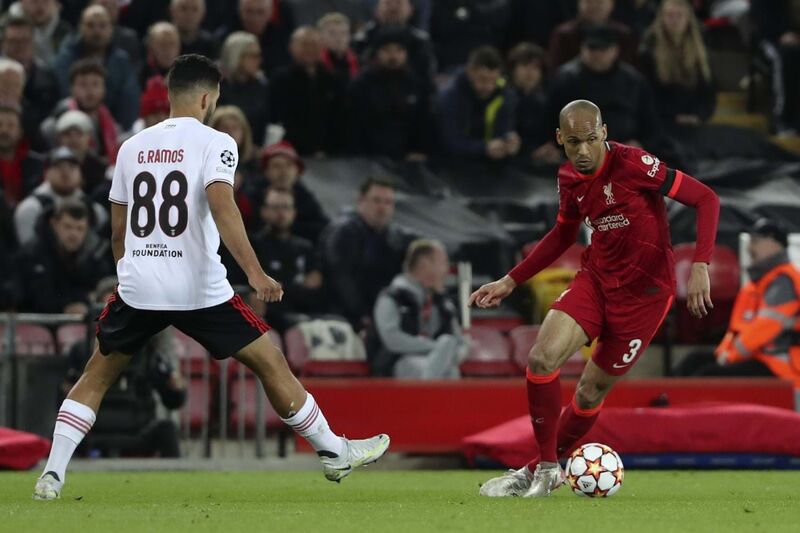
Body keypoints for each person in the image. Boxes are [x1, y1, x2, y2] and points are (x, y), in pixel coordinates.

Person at [32, 54, 389, 501]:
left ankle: (53, 474)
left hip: (140, 285)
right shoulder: (216, 142)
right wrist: (255, 272)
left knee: (96, 374)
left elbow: (118, 230)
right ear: (207, 97)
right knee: (269, 362)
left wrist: (130, 274)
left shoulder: (130, 147)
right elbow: (222, 206)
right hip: (199, 288)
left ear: (170, 94)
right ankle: (334, 451)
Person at [471, 99, 719, 498]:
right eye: (573, 143)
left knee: (588, 393)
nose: (583, 152)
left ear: (603, 132)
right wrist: (510, 280)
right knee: (540, 358)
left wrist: (702, 264)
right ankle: (549, 467)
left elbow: (705, 198)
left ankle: (535, 469)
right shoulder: (569, 176)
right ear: (560, 140)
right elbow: (563, 235)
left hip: (645, 297)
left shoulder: (635, 164)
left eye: (590, 140)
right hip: (596, 281)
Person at [62, 278, 186, 458]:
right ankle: (56, 471)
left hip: (137, 427)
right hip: (93, 428)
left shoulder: (146, 349)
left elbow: (173, 400)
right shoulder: (80, 350)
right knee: (63, 429)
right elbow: (65, 395)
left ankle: (177, 480)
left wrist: (175, 387)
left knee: (166, 430)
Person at [674, 219, 800, 382]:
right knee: (693, 361)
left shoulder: (783, 281)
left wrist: (730, 356)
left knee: (709, 376)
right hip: (756, 357)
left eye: (755, 241)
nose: (750, 248)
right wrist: (723, 353)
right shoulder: (759, 283)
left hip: (780, 366)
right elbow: (738, 329)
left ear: (774, 244)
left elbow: (765, 327)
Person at [544, 25, 664, 153]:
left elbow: (651, 124)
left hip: (625, 152)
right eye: (592, 48)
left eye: (603, 49)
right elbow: (550, 119)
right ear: (582, 49)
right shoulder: (565, 79)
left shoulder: (633, 81)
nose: (597, 54)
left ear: (615, 50)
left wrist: (640, 143)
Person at [321, 176, 414, 330]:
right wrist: (363, 314)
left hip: (381, 315)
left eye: (388, 202)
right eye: (376, 200)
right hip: (344, 316)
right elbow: (340, 279)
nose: (382, 208)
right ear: (361, 201)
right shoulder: (344, 231)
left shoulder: (395, 236)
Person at [371, 239, 467, 378]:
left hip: (439, 360)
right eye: (443, 262)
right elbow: (392, 340)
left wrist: (453, 351)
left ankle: (428, 392)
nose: (447, 270)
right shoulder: (392, 297)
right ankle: (427, 392)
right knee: (431, 367)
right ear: (424, 264)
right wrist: (436, 347)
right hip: (399, 362)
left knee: (451, 369)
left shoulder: (443, 303)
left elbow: (457, 341)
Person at [13, 199, 110, 314]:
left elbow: (101, 284)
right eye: (67, 227)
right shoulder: (33, 253)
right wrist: (78, 302)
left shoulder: (93, 253)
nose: (73, 234)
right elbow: (39, 298)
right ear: (54, 224)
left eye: (80, 228)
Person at [249, 187, 326, 331]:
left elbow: (316, 294)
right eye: (275, 207)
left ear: (293, 212)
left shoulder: (306, 248)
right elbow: (255, 295)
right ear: (264, 211)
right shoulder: (251, 246)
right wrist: (298, 287)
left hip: (305, 318)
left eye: (286, 207)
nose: (281, 212)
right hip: (266, 321)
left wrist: (280, 288)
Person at [53, 5, 140, 131]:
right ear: (80, 28)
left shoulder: (121, 60)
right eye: (90, 25)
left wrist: (116, 129)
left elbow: (129, 98)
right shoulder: (65, 58)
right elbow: (65, 92)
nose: (97, 31)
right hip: (72, 125)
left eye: (102, 25)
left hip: (114, 127)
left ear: (111, 29)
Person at [348, 28, 431, 160]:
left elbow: (422, 122)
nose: (393, 56)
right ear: (377, 53)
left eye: (399, 50)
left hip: (408, 158)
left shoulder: (416, 84)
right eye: (387, 50)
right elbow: (354, 126)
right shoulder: (362, 85)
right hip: (369, 157)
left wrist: (418, 150)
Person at [638, 0, 715, 133]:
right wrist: (673, 116)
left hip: (694, 121)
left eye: (680, 15)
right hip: (661, 122)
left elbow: (708, 92)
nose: (675, 20)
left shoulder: (700, 53)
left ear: (688, 19)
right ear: (661, 18)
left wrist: (698, 115)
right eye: (670, 15)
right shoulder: (648, 51)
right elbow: (647, 94)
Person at [270, 26, 347, 156]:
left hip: (329, 154)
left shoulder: (334, 79)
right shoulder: (280, 80)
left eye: (314, 45)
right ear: (291, 47)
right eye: (304, 45)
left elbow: (341, 119)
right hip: (290, 152)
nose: (310, 49)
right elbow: (276, 117)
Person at [436, 46, 520, 161]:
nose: (488, 87)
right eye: (483, 79)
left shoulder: (504, 94)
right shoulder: (451, 96)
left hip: (491, 164)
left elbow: (506, 126)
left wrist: (508, 138)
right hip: (453, 163)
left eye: (493, 80)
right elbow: (450, 141)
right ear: (470, 71)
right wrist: (484, 148)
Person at [14, 146, 107, 245]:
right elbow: (27, 250)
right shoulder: (31, 208)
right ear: (46, 173)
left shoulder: (95, 210)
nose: (65, 172)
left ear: (80, 174)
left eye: (72, 167)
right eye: (58, 166)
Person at [45, 59, 120, 164]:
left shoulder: (111, 125)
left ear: (104, 89)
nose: (90, 91)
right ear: (71, 88)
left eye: (95, 84)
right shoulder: (55, 124)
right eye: (83, 85)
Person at [255, 141, 329, 243]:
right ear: (266, 171)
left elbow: (324, 228)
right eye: (276, 166)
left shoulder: (305, 197)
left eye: (288, 165)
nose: (283, 172)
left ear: (297, 170)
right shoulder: (253, 197)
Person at [353, 0, 436, 87]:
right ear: (376, 10)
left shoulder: (420, 42)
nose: (393, 7)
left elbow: (426, 79)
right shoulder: (362, 39)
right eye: (387, 3)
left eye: (398, 3)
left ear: (411, 9)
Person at [0, 15, 60, 130]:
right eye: (13, 41)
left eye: (24, 41)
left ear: (33, 43)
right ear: (3, 44)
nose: (19, 47)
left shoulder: (47, 77)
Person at [209, 105, 261, 229]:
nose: (230, 132)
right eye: (225, 127)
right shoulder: (204, 163)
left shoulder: (254, 165)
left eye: (235, 128)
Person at [547, 0, 638, 70]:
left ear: (611, 4)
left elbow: (629, 67)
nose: (594, 6)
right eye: (589, 1)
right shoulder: (564, 34)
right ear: (579, 4)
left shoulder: (623, 34)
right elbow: (556, 70)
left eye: (600, 2)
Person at [506, 42, 557, 166]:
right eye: (524, 65)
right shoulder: (502, 98)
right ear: (513, 69)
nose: (530, 72)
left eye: (535, 67)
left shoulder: (544, 101)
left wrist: (550, 148)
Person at [215, 0, 296, 77]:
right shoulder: (225, 38)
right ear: (240, 12)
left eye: (260, 12)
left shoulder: (282, 39)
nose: (254, 18)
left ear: (270, 13)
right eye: (249, 11)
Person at [218, 32, 270, 146]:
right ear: (236, 56)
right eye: (253, 56)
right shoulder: (217, 86)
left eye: (259, 55)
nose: (259, 60)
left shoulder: (260, 86)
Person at [0, 0, 72, 65]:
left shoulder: (65, 31)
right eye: (34, 1)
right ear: (22, 2)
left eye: (45, 1)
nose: (40, 6)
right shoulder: (3, 27)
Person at [54, 109, 107, 195]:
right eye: (67, 134)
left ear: (89, 137)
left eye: (79, 134)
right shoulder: (51, 165)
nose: (73, 140)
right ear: (59, 138)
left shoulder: (99, 167)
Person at [0, 104, 43, 206]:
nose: (4, 131)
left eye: (11, 126)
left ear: (20, 132)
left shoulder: (38, 164)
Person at [89, 0, 142, 71]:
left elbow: (133, 72)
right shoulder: (74, 44)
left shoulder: (128, 39)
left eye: (111, 8)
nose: (106, 13)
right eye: (103, 7)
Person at [318, 12, 360, 84]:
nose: (339, 38)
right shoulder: (316, 63)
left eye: (343, 33)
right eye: (332, 33)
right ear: (321, 37)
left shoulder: (359, 62)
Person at [140, 22, 181, 87]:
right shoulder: (140, 74)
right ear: (151, 48)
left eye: (172, 44)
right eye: (162, 44)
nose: (168, 50)